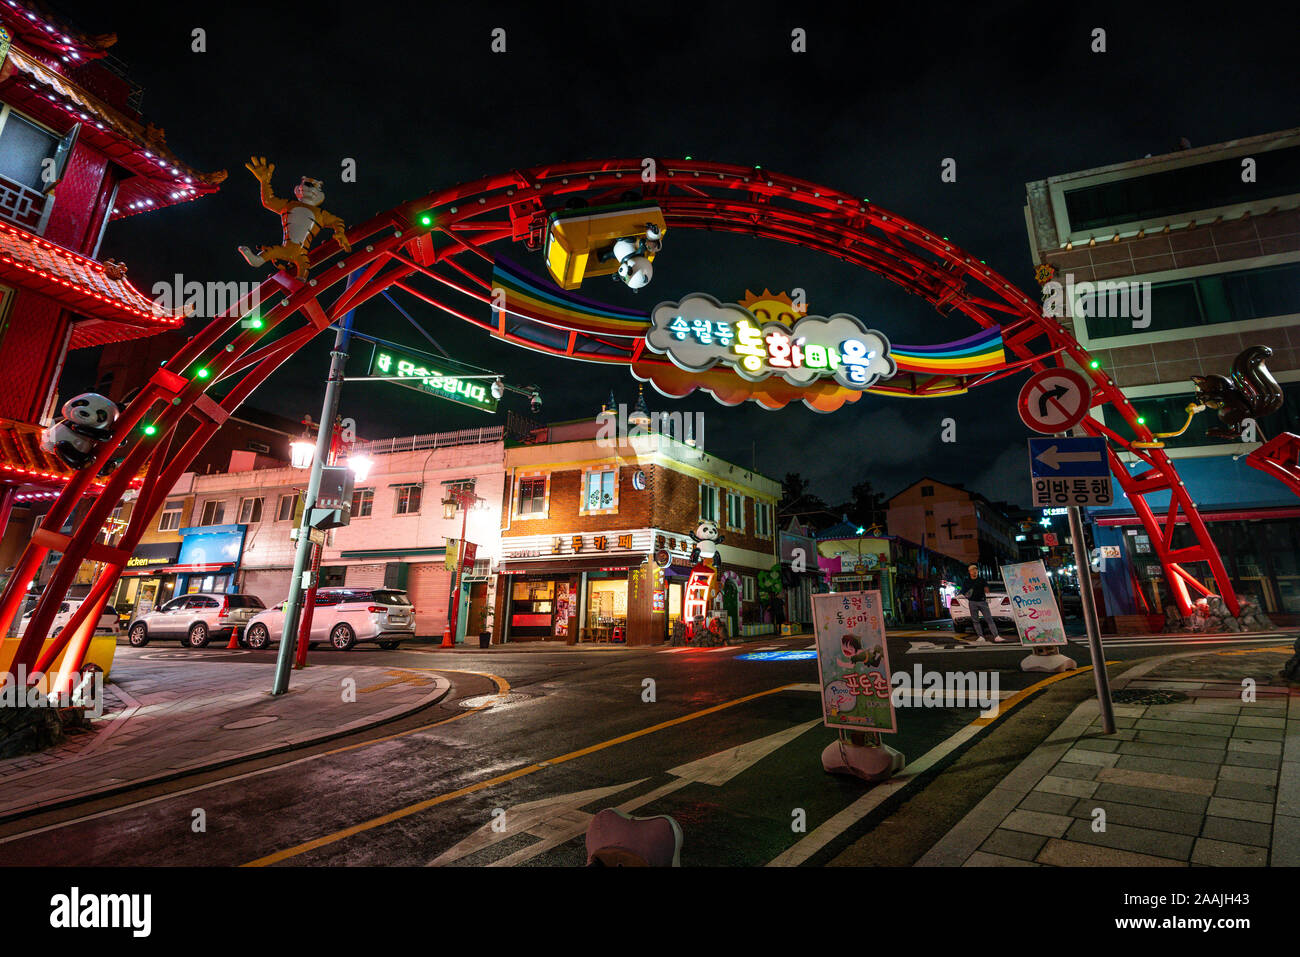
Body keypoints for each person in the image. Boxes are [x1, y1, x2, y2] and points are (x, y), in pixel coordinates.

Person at [963, 563, 1005, 642]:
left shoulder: (982, 579)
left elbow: (987, 590)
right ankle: (980, 637)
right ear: (969, 572)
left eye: (975, 570)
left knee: (989, 619)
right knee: (975, 620)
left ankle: (996, 636)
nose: (974, 571)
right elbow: (964, 592)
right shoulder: (966, 581)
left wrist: (986, 590)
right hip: (972, 602)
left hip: (982, 602)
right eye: (972, 570)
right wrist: (967, 595)